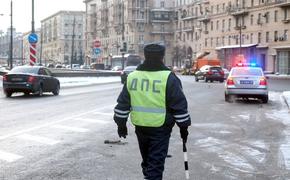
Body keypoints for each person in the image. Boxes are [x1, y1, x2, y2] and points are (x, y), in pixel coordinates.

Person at [113, 43, 191, 180]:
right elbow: (179, 105)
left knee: (148, 162)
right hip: (160, 129)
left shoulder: (133, 77)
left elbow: (122, 104)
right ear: (162, 57)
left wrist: (121, 124)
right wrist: (183, 127)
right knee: (155, 165)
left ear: (145, 56)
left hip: (141, 127)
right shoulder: (169, 78)